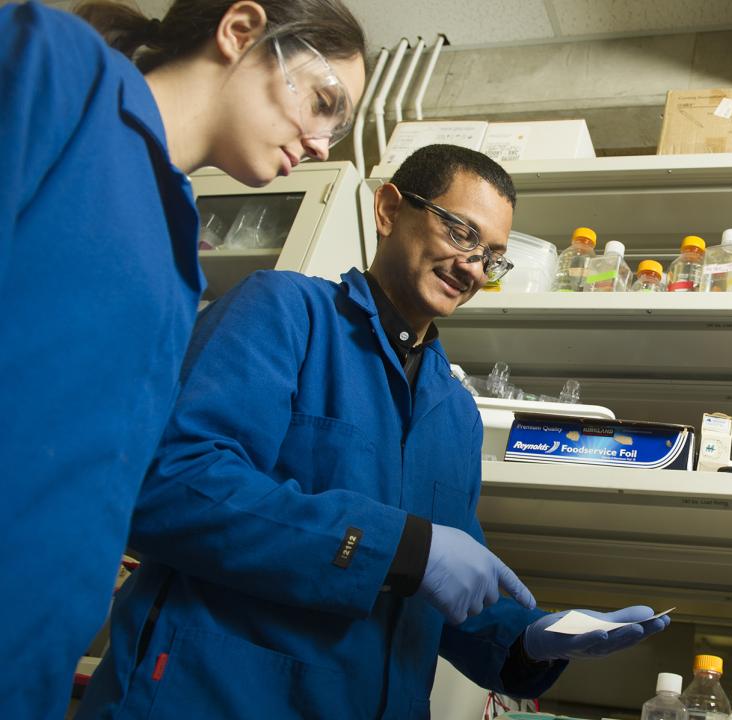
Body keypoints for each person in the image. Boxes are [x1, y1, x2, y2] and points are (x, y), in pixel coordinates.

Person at [77, 145, 670, 718]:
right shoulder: (286, 312)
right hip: (217, 696)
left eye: (491, 256)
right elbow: (172, 486)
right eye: (460, 233)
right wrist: (404, 549)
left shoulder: (454, 413)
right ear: (388, 210)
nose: (472, 268)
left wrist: (532, 639)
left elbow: (444, 592)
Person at [0, 1, 366, 716]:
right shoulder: (59, 71)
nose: (325, 144)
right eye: (324, 104)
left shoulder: (178, 253)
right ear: (241, 32)